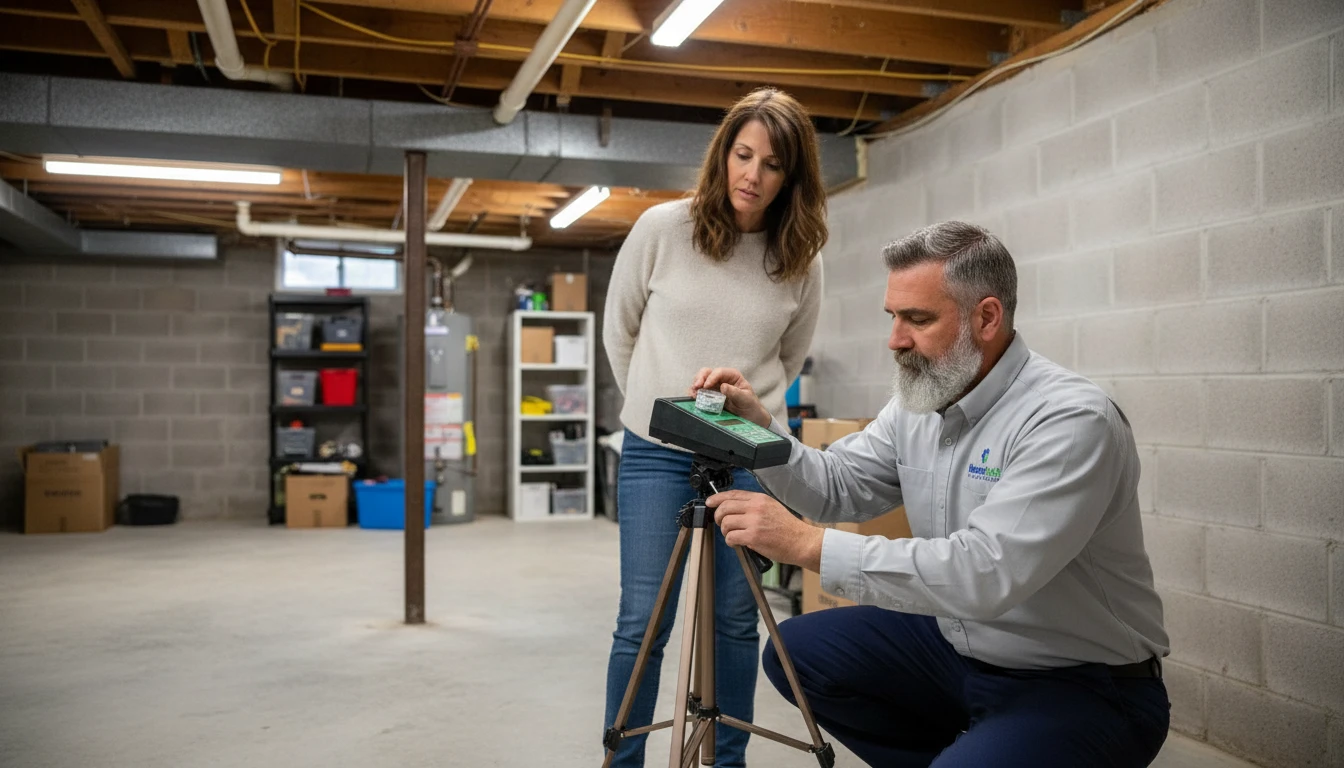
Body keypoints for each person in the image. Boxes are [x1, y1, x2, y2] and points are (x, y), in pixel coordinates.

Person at [693, 221, 1171, 768]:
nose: (895, 340)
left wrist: (808, 546)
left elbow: (985, 573)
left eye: (918, 319)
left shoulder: (1068, 420)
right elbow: (836, 486)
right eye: (893, 317)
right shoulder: (922, 402)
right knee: (798, 653)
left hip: (1082, 682)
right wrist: (760, 431)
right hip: (960, 651)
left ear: (987, 317)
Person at [601, 87, 828, 767]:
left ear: (793, 177)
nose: (752, 174)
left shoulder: (800, 260)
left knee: (735, 621)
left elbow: (787, 361)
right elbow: (621, 333)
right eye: (743, 153)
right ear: (724, 153)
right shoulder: (661, 230)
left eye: (772, 163)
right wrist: (655, 408)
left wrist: (743, 418)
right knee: (643, 620)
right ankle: (624, 761)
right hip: (654, 451)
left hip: (747, 456)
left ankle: (726, 762)